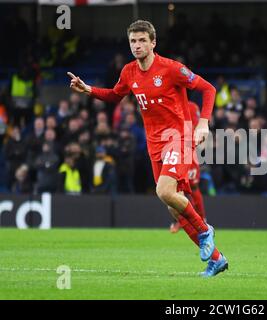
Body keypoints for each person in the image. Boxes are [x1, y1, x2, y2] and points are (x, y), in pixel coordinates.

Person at [67, 20, 227, 277]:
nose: (137, 45)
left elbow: (208, 89)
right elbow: (115, 95)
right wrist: (89, 90)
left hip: (179, 136)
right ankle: (217, 259)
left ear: (153, 43)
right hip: (155, 144)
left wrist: (203, 124)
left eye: (142, 40)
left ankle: (205, 229)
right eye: (133, 41)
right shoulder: (129, 72)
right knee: (173, 206)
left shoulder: (172, 68)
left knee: (164, 190)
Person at [170, 101, 207, 233]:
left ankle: (203, 220)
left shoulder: (191, 106)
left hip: (187, 150)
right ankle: (180, 221)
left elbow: (197, 128)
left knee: (193, 185)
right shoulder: (169, 102)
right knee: (172, 188)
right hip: (172, 149)